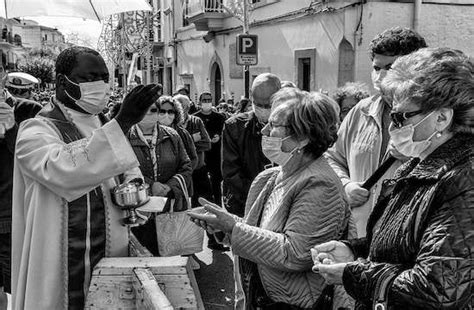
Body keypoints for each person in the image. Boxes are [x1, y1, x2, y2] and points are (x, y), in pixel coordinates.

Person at [313, 47, 474, 310]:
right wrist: (355, 251)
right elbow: (404, 243)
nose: (391, 127)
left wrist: (352, 275)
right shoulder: (418, 162)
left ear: (442, 117)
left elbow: (439, 289)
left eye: (400, 117)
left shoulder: (464, 178)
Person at [11, 46, 161, 310]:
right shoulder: (36, 130)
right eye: (90, 77)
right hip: (59, 265)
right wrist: (122, 122)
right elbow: (64, 171)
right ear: (61, 81)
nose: (100, 85)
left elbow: (129, 174)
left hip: (112, 255)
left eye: (104, 78)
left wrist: (135, 195)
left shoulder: (104, 126)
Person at [189, 88, 355, 310]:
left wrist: (234, 228)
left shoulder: (320, 183)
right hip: (265, 296)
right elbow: (260, 230)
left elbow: (296, 253)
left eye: (275, 125)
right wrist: (225, 226)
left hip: (296, 302)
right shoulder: (273, 175)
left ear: (303, 136)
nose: (265, 129)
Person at [325, 27, 427, 237]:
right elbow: (333, 158)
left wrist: (415, 156)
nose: (381, 76)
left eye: (391, 68)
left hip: (407, 242)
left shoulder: (434, 117)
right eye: (376, 68)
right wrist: (345, 185)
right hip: (357, 238)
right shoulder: (360, 112)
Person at [127, 99, 193, 257]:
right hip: (138, 210)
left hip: (169, 206)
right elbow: (119, 169)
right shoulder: (125, 137)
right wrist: (150, 185)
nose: (149, 114)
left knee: (170, 253)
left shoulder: (172, 136)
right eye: (145, 110)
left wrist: (169, 186)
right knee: (144, 256)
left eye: (153, 110)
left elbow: (186, 166)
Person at [0, 72, 43, 310]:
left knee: (21, 288)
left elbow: (40, 160)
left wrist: (12, 129)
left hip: (15, 215)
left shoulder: (30, 110)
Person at [221, 73, 280, 217]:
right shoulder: (235, 127)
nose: (264, 109)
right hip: (246, 205)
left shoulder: (290, 124)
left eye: (268, 105)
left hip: (281, 203)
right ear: (251, 97)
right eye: (259, 105)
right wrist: (260, 197)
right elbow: (231, 173)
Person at [179, 93, 212, 207]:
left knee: (202, 203)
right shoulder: (171, 125)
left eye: (181, 106)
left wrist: (186, 144)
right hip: (180, 171)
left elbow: (207, 144)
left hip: (198, 169)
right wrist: (194, 141)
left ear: (187, 107)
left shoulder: (196, 122)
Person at [194, 92, 226, 205]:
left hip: (216, 154)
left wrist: (219, 137)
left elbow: (225, 133)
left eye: (209, 100)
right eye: (204, 100)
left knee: (216, 182)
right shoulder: (195, 118)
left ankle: (218, 205)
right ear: (200, 102)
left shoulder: (220, 117)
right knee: (201, 182)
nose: (207, 102)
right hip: (202, 154)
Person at [160, 95, 198, 170]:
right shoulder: (149, 132)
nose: (166, 115)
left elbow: (193, 158)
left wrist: (182, 175)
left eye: (170, 112)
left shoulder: (183, 133)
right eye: (162, 111)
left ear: (176, 114)